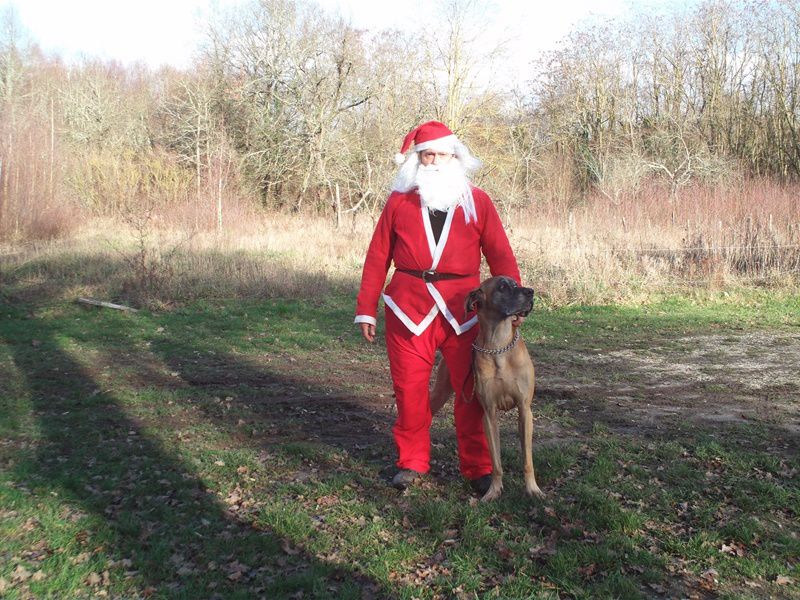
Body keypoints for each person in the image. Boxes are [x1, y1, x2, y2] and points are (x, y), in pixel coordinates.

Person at [354, 120, 523, 494]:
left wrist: (510, 307)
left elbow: (501, 257)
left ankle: (478, 465)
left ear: (456, 156)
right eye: (427, 154)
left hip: (465, 313)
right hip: (407, 309)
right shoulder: (399, 201)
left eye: (442, 154)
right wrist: (366, 307)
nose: (434, 161)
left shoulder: (478, 202)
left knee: (471, 390)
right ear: (416, 159)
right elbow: (378, 254)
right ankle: (411, 460)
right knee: (409, 390)